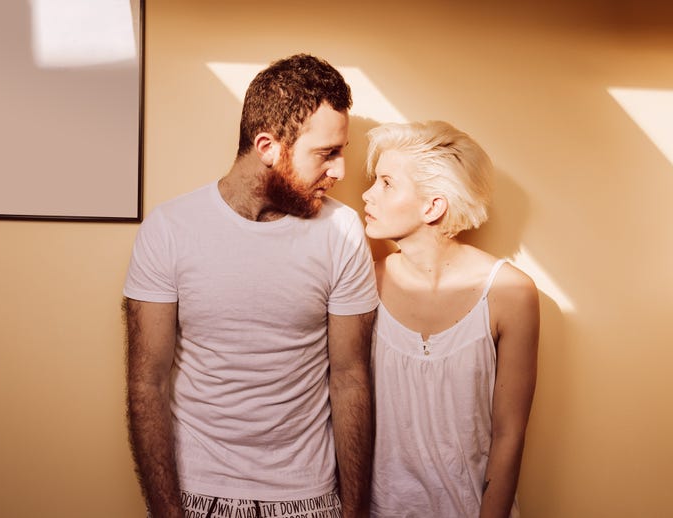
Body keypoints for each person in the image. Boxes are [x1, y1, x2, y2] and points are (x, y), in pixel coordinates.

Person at [122, 54, 378, 518]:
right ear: (268, 147)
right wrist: (166, 511)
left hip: (309, 495)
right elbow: (147, 383)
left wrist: (355, 512)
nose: (341, 171)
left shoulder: (342, 230)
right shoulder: (170, 228)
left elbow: (350, 379)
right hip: (197, 492)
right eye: (326, 153)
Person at [362, 121, 539, 518]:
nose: (367, 194)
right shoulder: (364, 284)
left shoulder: (510, 292)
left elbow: (509, 435)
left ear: (433, 206)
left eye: (387, 183)